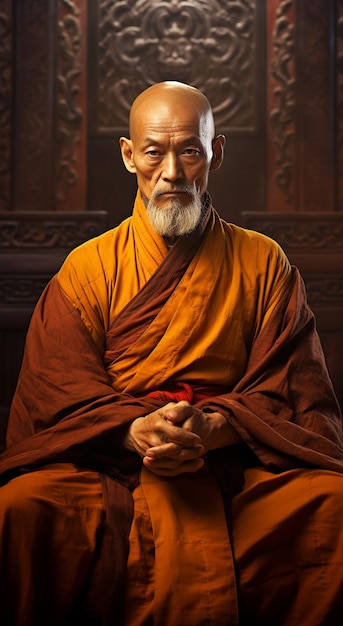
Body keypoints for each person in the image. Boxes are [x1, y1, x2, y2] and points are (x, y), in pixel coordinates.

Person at [0, 80, 342, 626]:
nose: (173, 173)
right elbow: (55, 392)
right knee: (19, 509)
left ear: (216, 153)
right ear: (129, 154)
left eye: (190, 152)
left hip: (232, 462)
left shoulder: (263, 262)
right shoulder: (88, 268)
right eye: (155, 152)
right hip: (113, 465)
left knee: (332, 504)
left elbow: (293, 392)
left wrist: (211, 428)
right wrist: (132, 431)